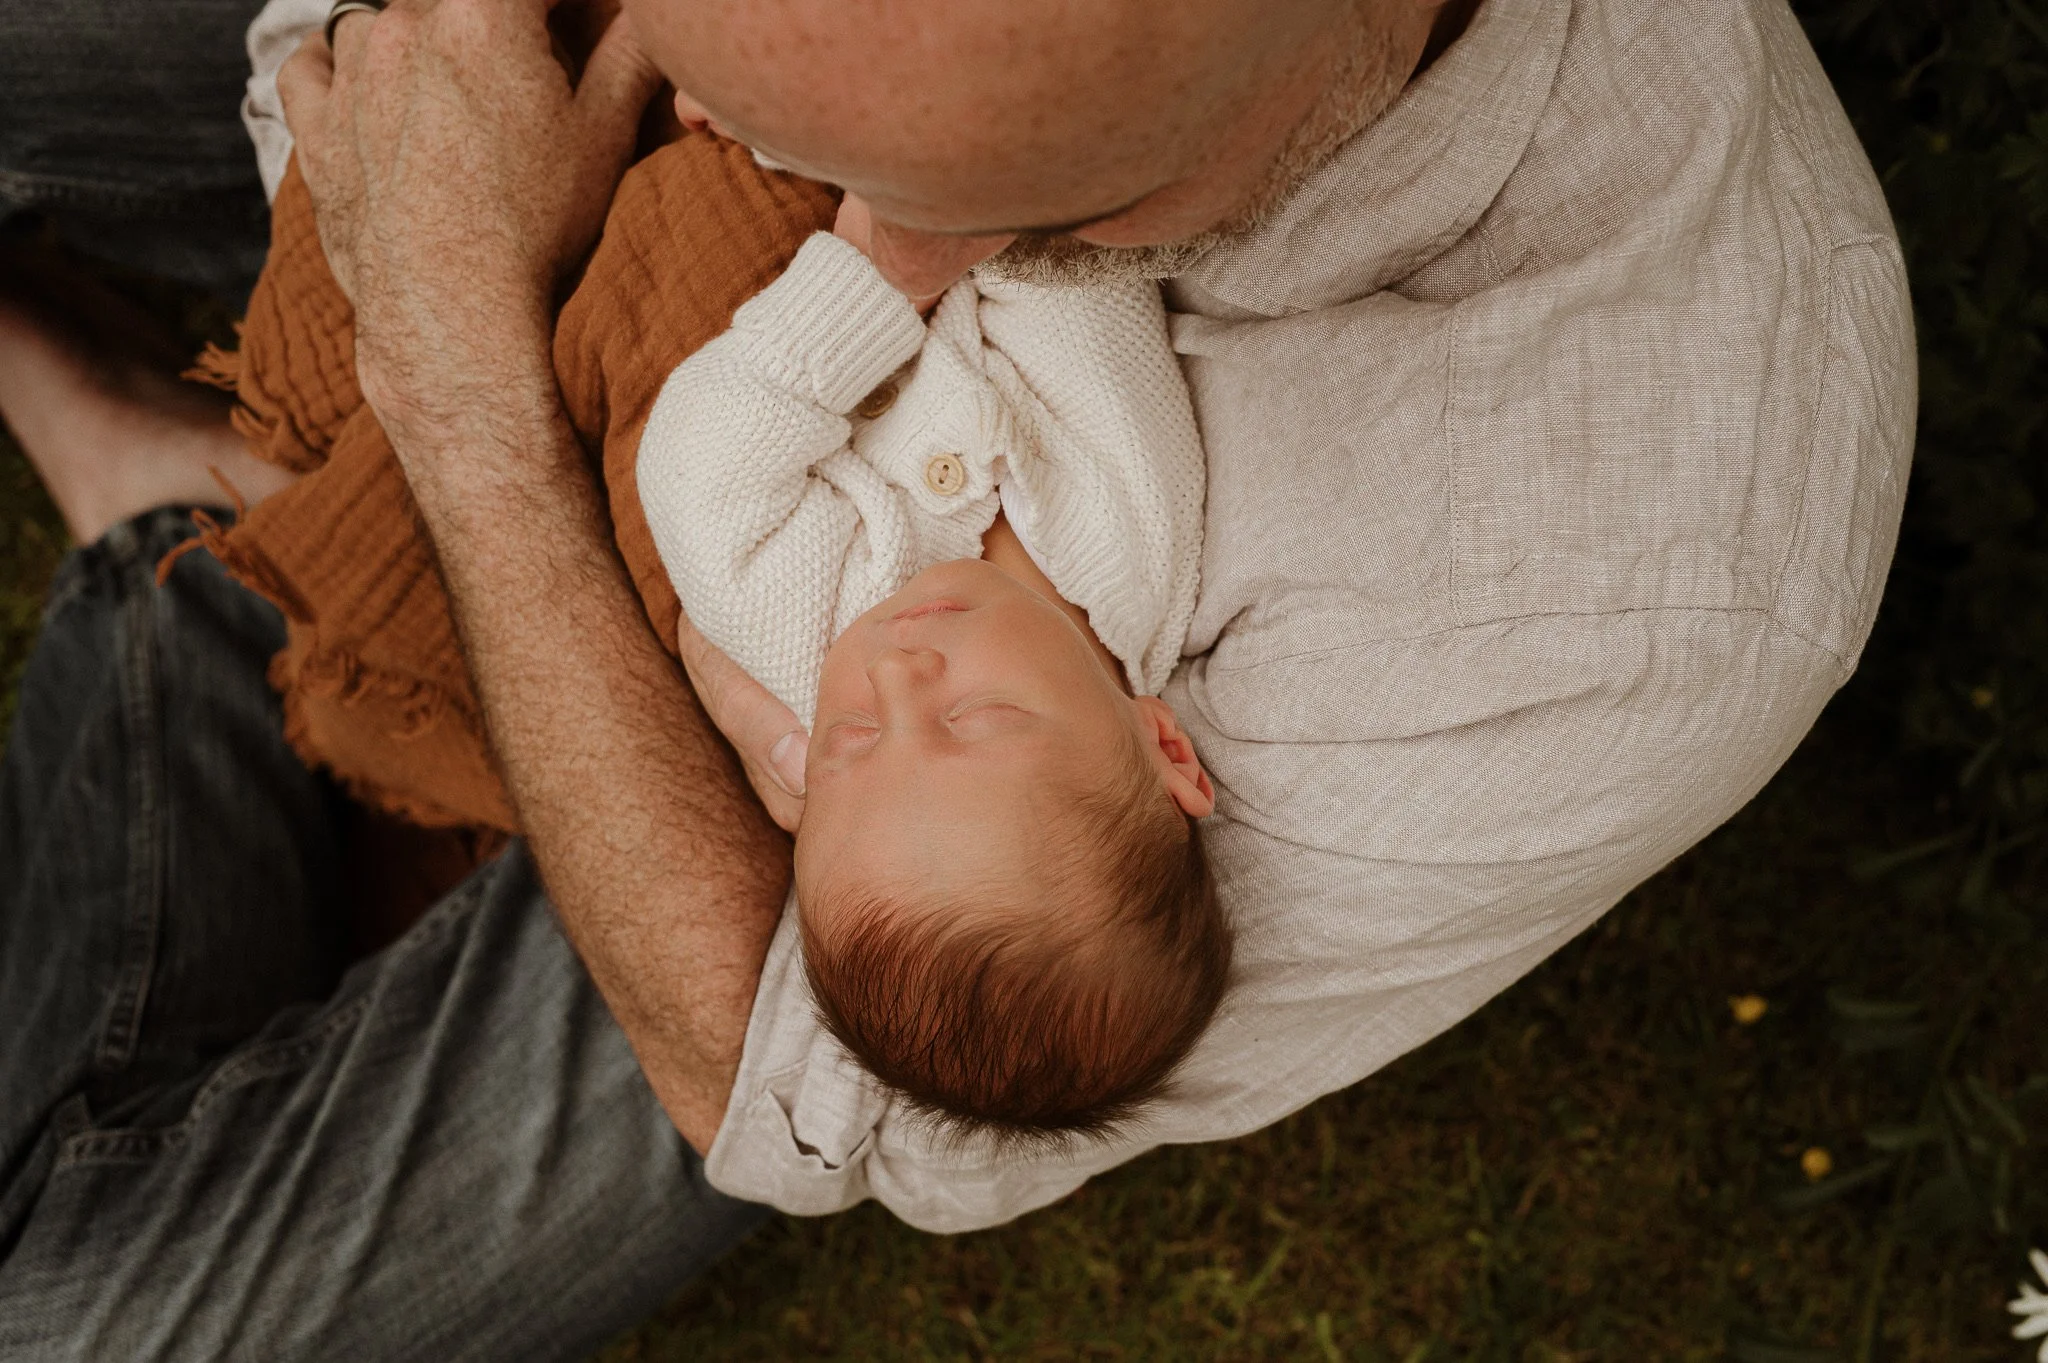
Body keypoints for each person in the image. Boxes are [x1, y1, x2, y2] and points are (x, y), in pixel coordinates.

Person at [0, 0, 1914, 1358]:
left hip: (884, 896)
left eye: (842, 161)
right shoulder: (1060, 464)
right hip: (748, 511)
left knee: (64, 1323)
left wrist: (459, 381)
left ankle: (174, 568)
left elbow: (845, 1071)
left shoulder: (1614, 601)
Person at [637, 195, 1221, 1137]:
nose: (896, 676)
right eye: (979, 718)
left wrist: (879, 273)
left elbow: (699, 470)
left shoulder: (803, 638)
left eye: (850, 742)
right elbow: (1077, 273)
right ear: (1164, 746)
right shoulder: (1148, 533)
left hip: (788, 249)